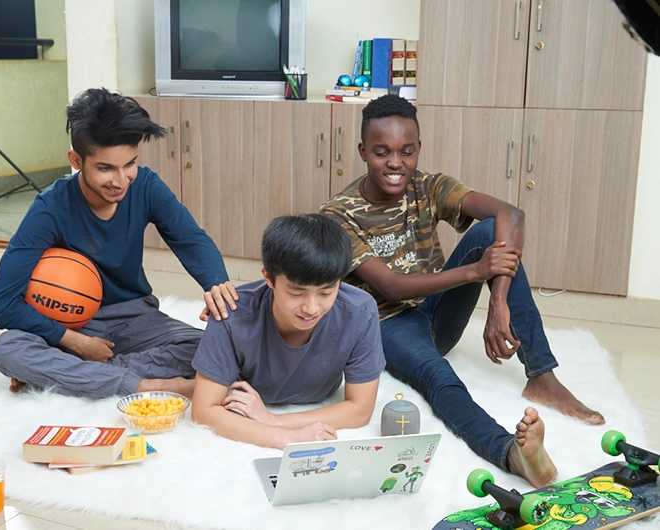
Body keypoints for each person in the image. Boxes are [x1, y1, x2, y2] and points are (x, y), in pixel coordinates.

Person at [321, 94, 604, 488]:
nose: (395, 163)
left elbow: (511, 214)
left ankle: (542, 375)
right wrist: (475, 271)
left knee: (491, 231)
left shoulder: (428, 186)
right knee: (440, 377)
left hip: (437, 312)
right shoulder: (338, 215)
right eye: (382, 152)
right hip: (386, 324)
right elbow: (390, 286)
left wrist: (498, 301)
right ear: (363, 151)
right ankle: (510, 452)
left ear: (418, 149)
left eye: (406, 151)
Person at [0, 88, 237, 399]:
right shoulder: (50, 208)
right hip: (69, 324)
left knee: (218, 348)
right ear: (76, 160)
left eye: (129, 164)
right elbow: (1, 305)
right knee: (7, 349)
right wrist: (76, 343)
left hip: (136, 318)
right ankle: (147, 385)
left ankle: (78, 374)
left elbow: (190, 239)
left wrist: (216, 283)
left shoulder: (146, 185)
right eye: (105, 168)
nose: (121, 180)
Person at [190, 214, 386, 449]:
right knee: (166, 370)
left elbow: (360, 410)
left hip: (308, 397)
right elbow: (203, 411)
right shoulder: (230, 314)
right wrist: (286, 438)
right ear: (268, 278)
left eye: (326, 292)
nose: (311, 308)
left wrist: (274, 420)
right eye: (296, 293)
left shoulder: (360, 311)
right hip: (241, 392)